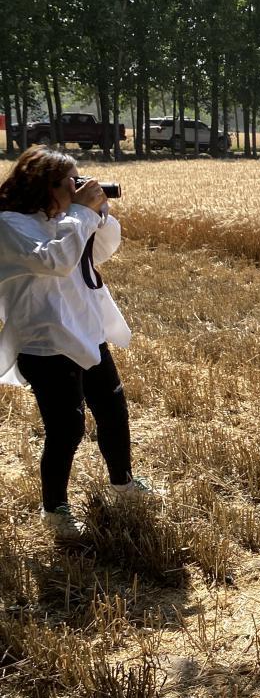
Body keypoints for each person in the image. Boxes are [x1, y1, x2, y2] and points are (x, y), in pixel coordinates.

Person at [0, 145, 150, 539]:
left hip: (88, 332)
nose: (78, 185)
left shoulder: (68, 218)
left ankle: (124, 485)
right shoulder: (10, 224)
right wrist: (81, 214)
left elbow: (100, 251)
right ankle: (55, 511)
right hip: (45, 343)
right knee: (66, 429)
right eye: (70, 181)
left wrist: (97, 215)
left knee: (114, 412)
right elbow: (55, 261)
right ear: (43, 185)